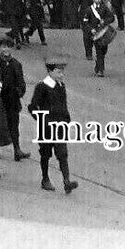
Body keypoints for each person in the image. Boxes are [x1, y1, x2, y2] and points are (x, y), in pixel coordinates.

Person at [29, 58, 79, 193]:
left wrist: (67, 120)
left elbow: (64, 104)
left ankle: (66, 181)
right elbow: (32, 106)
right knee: (45, 153)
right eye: (58, 72)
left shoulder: (61, 86)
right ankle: (45, 179)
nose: (61, 75)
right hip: (46, 127)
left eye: (62, 72)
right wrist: (42, 120)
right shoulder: (42, 86)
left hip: (60, 126)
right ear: (50, 72)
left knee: (63, 154)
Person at [0, 39, 31, 162]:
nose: (6, 49)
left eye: (8, 47)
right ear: (0, 47)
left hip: (12, 100)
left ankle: (17, 150)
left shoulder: (16, 64)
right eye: (3, 47)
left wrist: (19, 92)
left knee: (14, 125)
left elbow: (21, 82)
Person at [82, 0, 116, 78]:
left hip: (104, 32)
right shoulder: (89, 9)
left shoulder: (104, 8)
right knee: (99, 51)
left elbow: (112, 17)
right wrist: (91, 29)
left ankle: (98, 65)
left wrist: (105, 21)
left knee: (104, 51)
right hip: (95, 33)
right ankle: (101, 70)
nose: (99, 0)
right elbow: (85, 22)